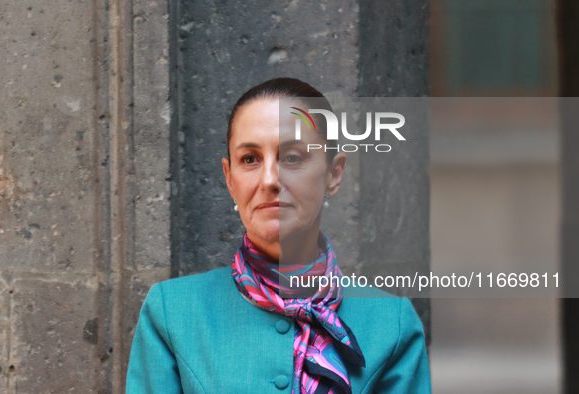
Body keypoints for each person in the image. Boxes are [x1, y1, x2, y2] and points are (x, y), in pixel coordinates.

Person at [126, 77, 431, 393]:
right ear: (230, 179)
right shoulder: (173, 312)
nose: (270, 179)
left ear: (334, 174)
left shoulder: (390, 323)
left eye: (293, 157)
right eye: (250, 159)